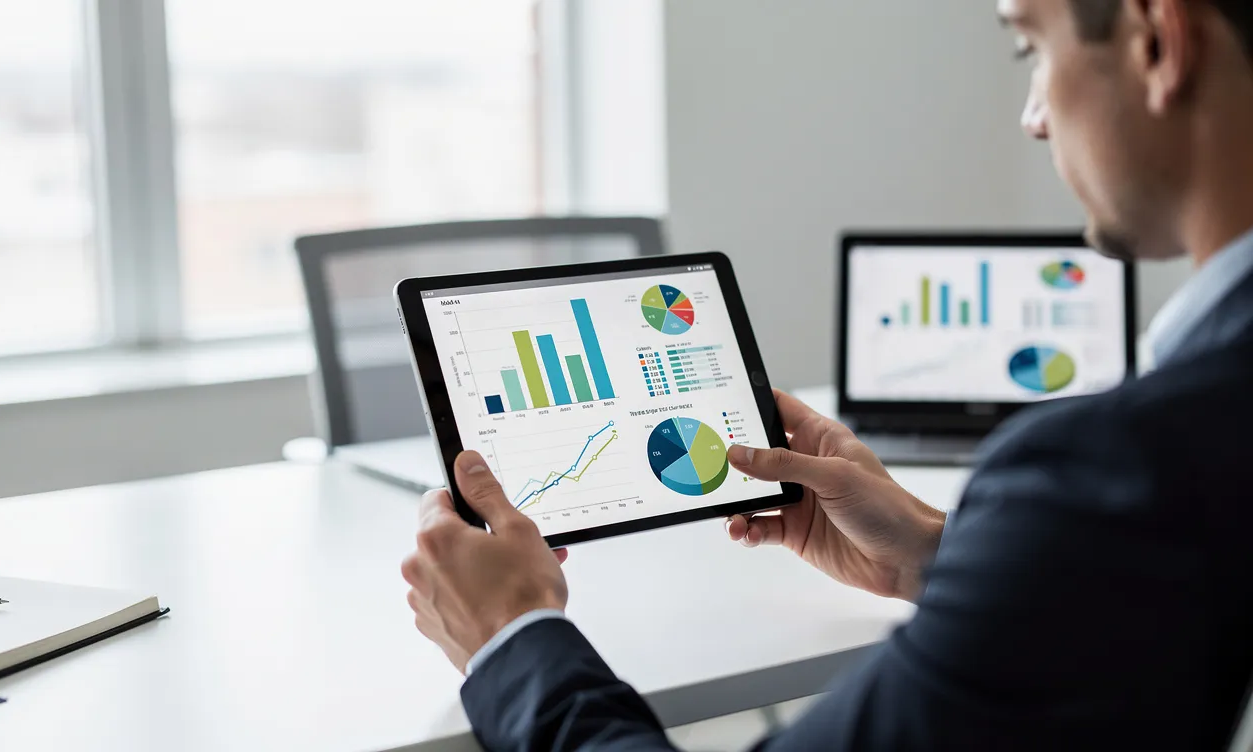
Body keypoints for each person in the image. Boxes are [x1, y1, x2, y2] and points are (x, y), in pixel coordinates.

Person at [400, 0, 1253, 748]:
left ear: (1159, 41)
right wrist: (939, 555)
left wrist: (512, 638)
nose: (1033, 117)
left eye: (1031, 47)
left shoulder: (1119, 474)